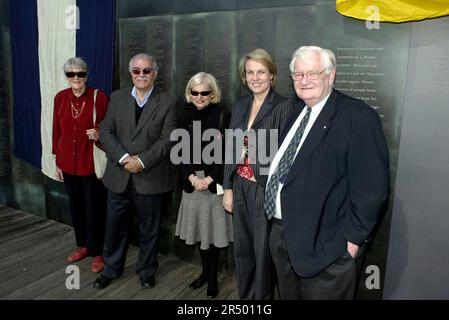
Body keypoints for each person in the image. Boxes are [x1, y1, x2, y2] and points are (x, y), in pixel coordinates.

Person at [264, 45, 390, 299]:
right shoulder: (298, 111)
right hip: (282, 237)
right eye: (298, 75)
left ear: (330, 76)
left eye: (312, 73)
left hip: (327, 249)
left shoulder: (358, 117)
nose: (304, 80)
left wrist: (351, 244)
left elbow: (372, 189)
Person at [93, 53, 177, 289]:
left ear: (155, 73)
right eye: (137, 71)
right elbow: (106, 131)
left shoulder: (168, 102)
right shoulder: (117, 97)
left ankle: (146, 271)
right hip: (118, 177)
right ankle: (111, 269)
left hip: (150, 178)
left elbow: (168, 139)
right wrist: (124, 158)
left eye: (146, 70)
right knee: (113, 228)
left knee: (149, 231)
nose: (141, 75)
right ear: (131, 73)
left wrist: (141, 162)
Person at [222, 49, 296, 299]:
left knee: (262, 255)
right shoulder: (241, 104)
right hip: (239, 186)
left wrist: (263, 177)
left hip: (263, 190)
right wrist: (228, 189)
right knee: (242, 252)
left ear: (272, 75)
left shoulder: (285, 105)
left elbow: (287, 153)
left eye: (261, 72)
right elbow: (231, 147)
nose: (255, 77)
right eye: (250, 72)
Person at [174, 72, 233, 299]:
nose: (199, 97)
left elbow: (229, 154)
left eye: (204, 92)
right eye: (194, 92)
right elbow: (178, 152)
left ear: (212, 94)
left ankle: (212, 279)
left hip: (213, 184)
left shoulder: (223, 117)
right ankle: (204, 273)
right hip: (191, 183)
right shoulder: (184, 116)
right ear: (190, 93)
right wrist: (191, 178)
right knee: (199, 231)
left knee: (212, 233)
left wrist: (209, 179)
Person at [52, 57, 108, 273]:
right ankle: (83, 246)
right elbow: (57, 129)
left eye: (80, 74)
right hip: (68, 162)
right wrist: (57, 160)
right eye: (71, 74)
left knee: (94, 208)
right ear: (66, 77)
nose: (76, 78)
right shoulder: (60, 98)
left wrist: (99, 132)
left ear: (86, 75)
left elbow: (110, 126)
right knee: (76, 207)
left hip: (90, 162)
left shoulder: (98, 97)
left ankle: (98, 252)